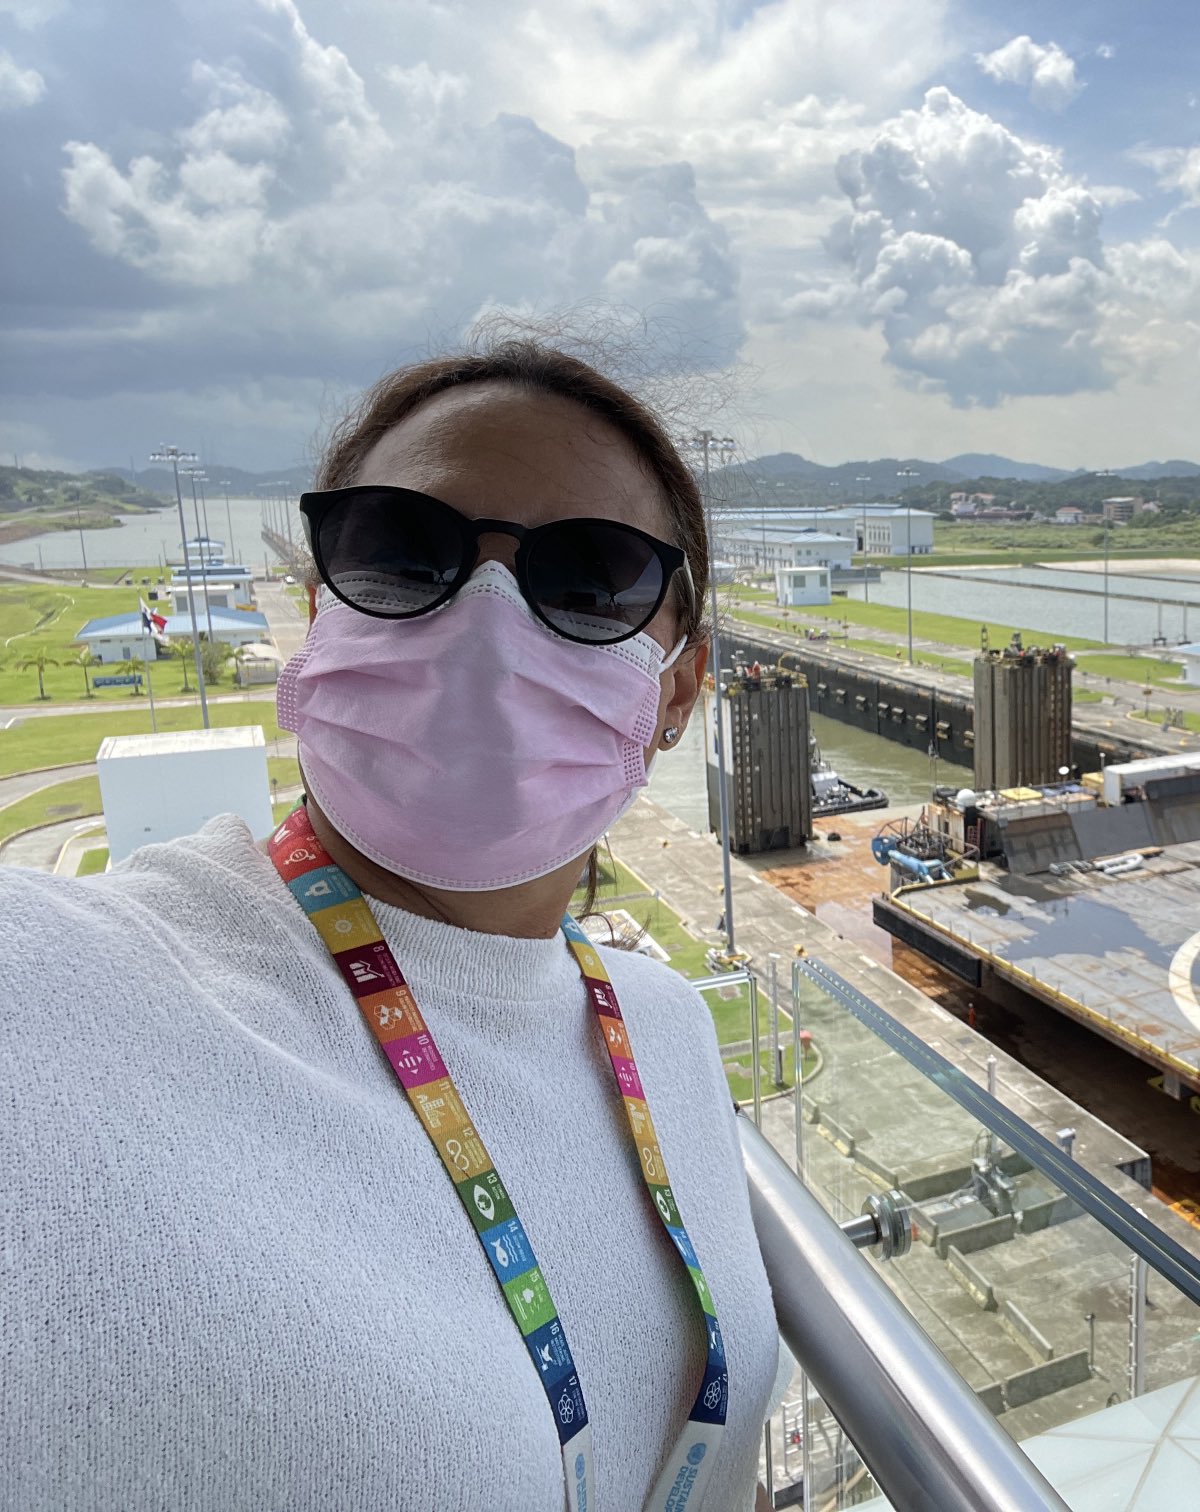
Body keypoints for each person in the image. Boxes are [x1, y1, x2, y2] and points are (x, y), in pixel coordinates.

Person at [0, 338, 778, 1510]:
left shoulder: (667, 1027)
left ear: (676, 689)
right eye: (403, 553)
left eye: (589, 579)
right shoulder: (65, 995)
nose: (487, 624)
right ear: (320, 616)